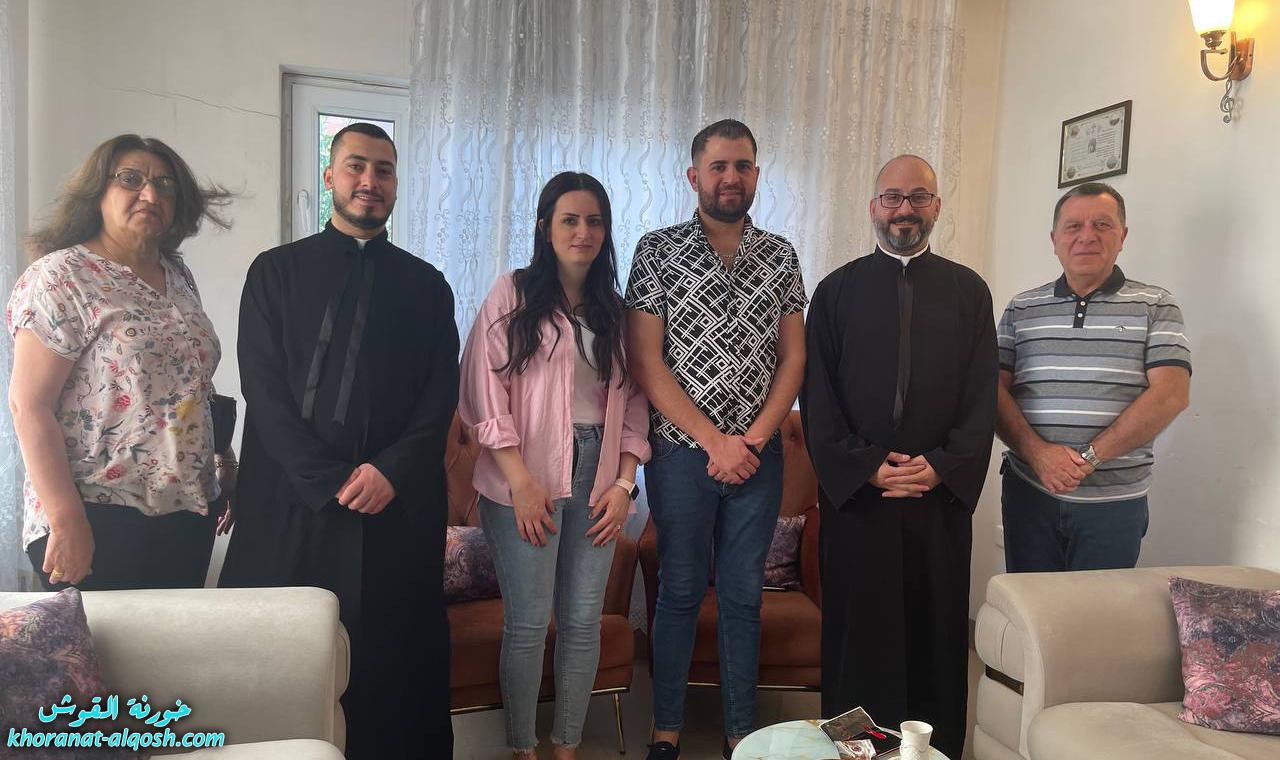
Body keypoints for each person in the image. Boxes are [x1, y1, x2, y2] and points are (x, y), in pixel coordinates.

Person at [218, 123, 458, 758]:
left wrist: (391, 471)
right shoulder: (274, 272)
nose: (369, 181)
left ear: (396, 185)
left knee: (392, 667)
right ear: (329, 176)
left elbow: (441, 395)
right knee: (278, 658)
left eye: (384, 170)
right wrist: (327, 480)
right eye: (356, 166)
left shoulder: (427, 285)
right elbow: (261, 388)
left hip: (394, 508)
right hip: (290, 502)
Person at [800, 154, 997, 759]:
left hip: (937, 501)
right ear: (873, 207)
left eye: (918, 197)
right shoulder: (835, 292)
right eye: (892, 197)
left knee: (936, 634)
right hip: (861, 503)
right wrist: (866, 467)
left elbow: (981, 395)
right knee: (859, 638)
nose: (904, 209)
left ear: (936, 207)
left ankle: (931, 753)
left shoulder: (969, 292)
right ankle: (857, 751)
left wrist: (941, 466)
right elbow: (819, 398)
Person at [625, 119, 807, 760]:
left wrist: (750, 440)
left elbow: (793, 357)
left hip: (759, 455)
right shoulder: (656, 250)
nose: (731, 177)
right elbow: (647, 362)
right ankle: (666, 730)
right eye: (719, 166)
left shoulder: (781, 255)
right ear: (694, 176)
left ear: (756, 174)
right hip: (681, 454)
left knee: (742, 596)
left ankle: (741, 733)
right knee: (678, 590)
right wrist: (714, 441)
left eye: (743, 165)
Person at [459, 171, 650, 760]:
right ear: (546, 228)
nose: (582, 231)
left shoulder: (616, 312)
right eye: (570, 219)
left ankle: (566, 746)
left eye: (594, 221)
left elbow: (636, 403)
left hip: (599, 476)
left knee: (584, 620)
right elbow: (482, 390)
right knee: (527, 621)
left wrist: (625, 484)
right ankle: (523, 748)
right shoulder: (510, 294)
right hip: (523, 473)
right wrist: (519, 482)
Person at [8, 133, 235, 591]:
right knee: (96, 642)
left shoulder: (177, 275)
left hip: (185, 512)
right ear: (97, 191)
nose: (150, 194)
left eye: (165, 185)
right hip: (97, 513)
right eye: (130, 179)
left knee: (172, 641)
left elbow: (187, 379)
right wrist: (66, 519)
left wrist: (224, 458)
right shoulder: (61, 276)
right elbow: (28, 405)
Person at [996, 182, 1190, 572]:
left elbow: (1171, 395)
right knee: (1030, 605)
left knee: (1100, 609)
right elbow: (991, 391)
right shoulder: (1022, 308)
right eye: (1073, 226)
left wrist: (1088, 457)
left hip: (1113, 506)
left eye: (1102, 224)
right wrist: (1038, 455)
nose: (1087, 236)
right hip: (1029, 495)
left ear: (1123, 236)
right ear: (1054, 240)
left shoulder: (1156, 305)